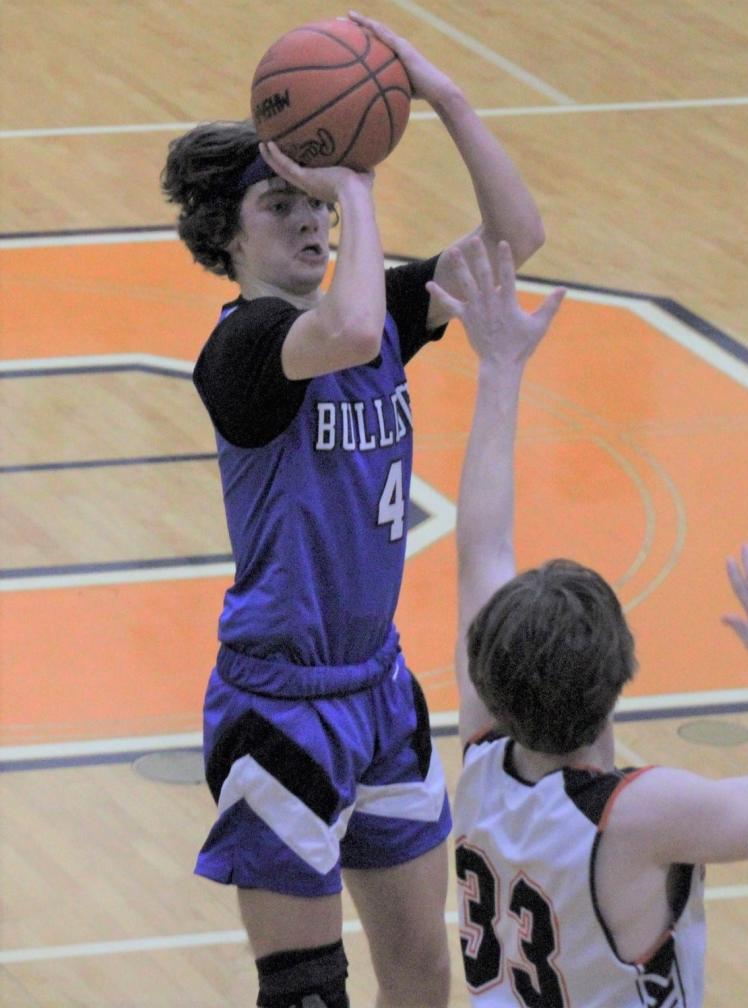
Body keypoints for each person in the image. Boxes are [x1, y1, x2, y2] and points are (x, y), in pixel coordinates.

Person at [160, 10, 544, 1007]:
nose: (313, 218)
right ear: (224, 232)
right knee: (308, 995)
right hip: (278, 703)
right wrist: (356, 180)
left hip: (377, 689)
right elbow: (354, 318)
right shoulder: (242, 352)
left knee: (423, 973)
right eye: (281, 202)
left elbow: (518, 239)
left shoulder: (369, 324)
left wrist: (443, 97)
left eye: (317, 199)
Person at [435, 238, 748, 1007]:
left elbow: (482, 549)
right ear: (619, 679)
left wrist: (500, 369)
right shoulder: (637, 815)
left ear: (488, 680)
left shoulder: (481, 758)